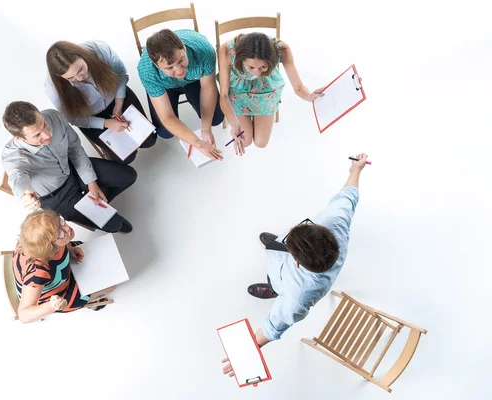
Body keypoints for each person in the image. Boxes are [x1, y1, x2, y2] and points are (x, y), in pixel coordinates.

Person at [222, 153, 369, 376]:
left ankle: (273, 288)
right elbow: (349, 196)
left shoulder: (297, 297)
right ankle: (275, 250)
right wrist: (355, 170)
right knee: (274, 246)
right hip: (294, 261)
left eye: (289, 241)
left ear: (297, 262)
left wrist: (249, 351)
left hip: (284, 282)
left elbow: (276, 324)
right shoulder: (336, 221)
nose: (289, 231)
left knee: (278, 283)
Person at [1, 101, 136, 233]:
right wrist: (24, 194)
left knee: (128, 176)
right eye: (37, 135)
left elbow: (75, 149)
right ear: (18, 138)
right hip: (57, 196)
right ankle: (102, 212)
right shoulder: (12, 156)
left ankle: (95, 204)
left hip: (73, 169)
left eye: (44, 124)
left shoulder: (53, 116)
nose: (47, 135)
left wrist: (91, 182)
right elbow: (17, 176)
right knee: (115, 225)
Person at [45, 40, 156, 164]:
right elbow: (73, 118)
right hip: (91, 117)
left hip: (117, 97)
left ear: (83, 56)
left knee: (150, 139)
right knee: (126, 157)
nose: (80, 77)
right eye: (70, 78)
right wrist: (107, 123)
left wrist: (119, 104)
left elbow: (121, 74)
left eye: (80, 69)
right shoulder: (52, 88)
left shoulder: (98, 49)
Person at [218, 32, 324, 156]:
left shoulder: (282, 49)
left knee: (261, 142)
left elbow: (298, 87)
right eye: (251, 67)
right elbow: (223, 95)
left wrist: (309, 96)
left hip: (266, 91)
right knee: (244, 141)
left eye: (263, 67)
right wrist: (233, 123)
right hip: (238, 92)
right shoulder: (227, 50)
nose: (257, 73)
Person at [13, 210, 117, 323]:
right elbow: (23, 315)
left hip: (60, 273)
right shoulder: (38, 273)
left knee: (93, 252)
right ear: (49, 247)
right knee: (112, 285)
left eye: (61, 222)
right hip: (58, 295)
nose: (67, 228)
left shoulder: (33, 237)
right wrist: (52, 306)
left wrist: (69, 249)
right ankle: (90, 303)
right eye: (59, 233)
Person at [137, 29, 224, 161]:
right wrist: (198, 143)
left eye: (181, 60)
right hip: (165, 86)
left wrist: (206, 129)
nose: (178, 71)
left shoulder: (205, 51)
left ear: (183, 47)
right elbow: (167, 117)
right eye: (169, 67)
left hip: (193, 80)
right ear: (156, 64)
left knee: (216, 118)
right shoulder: (146, 71)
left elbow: (207, 87)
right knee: (165, 132)